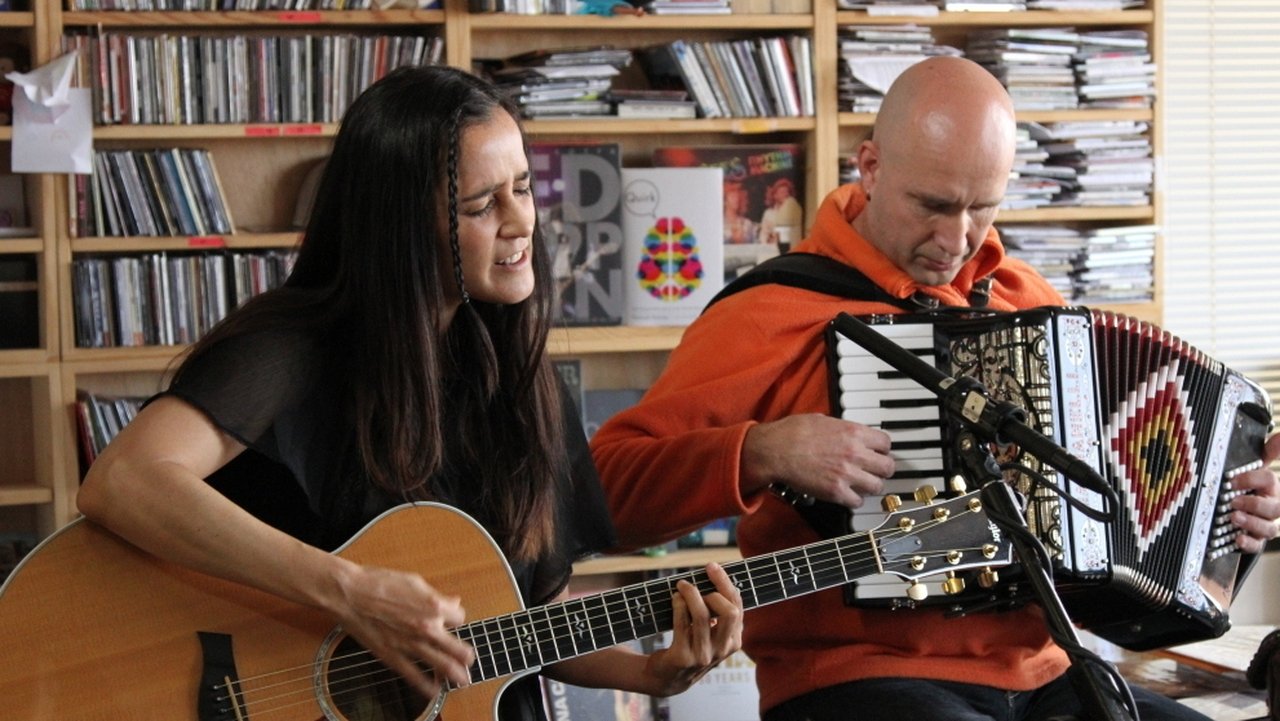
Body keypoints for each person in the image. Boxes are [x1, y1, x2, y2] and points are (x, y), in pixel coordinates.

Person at [591, 56, 1280, 721]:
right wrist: (760, 451)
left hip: (1049, 674)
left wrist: (1230, 512)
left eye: (983, 207)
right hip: (858, 675)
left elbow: (1109, 515)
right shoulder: (768, 311)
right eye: (933, 205)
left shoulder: (1024, 300)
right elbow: (604, 495)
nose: (956, 239)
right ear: (870, 165)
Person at [76, 65, 743, 721]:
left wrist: (651, 673)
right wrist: (350, 592)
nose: (521, 222)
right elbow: (124, 479)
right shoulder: (290, 351)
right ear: (401, 227)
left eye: (522, 188)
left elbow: (527, 624)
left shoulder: (522, 383)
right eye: (484, 204)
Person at [756, 177, 803, 246]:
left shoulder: (794, 210)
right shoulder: (768, 213)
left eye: (787, 192)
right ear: (775, 195)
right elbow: (763, 234)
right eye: (782, 192)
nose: (785, 194)